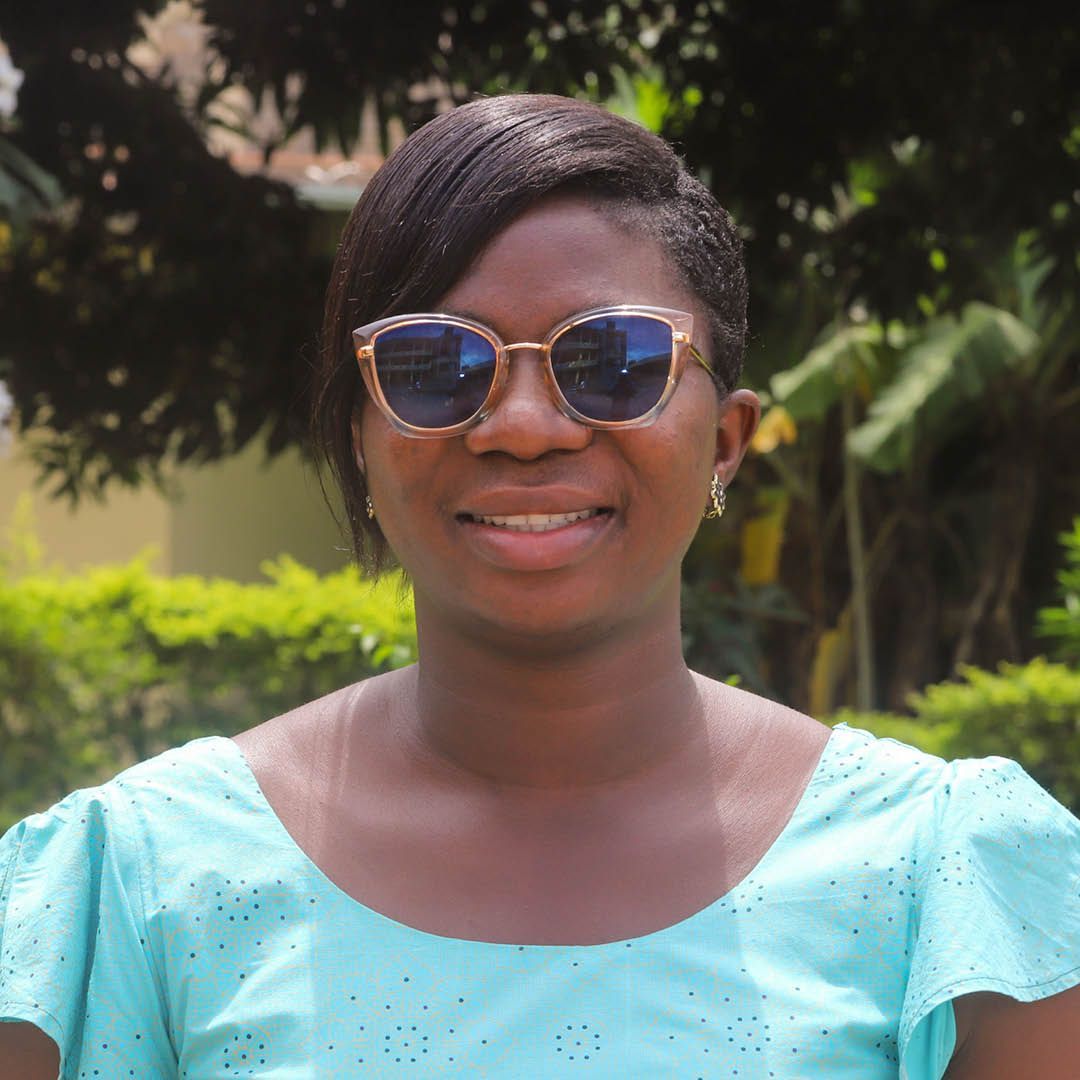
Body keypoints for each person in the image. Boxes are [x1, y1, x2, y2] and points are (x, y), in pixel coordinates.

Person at [1, 94, 1078, 1080]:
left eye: (613, 359)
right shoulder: (142, 884)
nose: (521, 426)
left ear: (728, 441)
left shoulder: (943, 883)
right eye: (435, 364)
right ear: (360, 438)